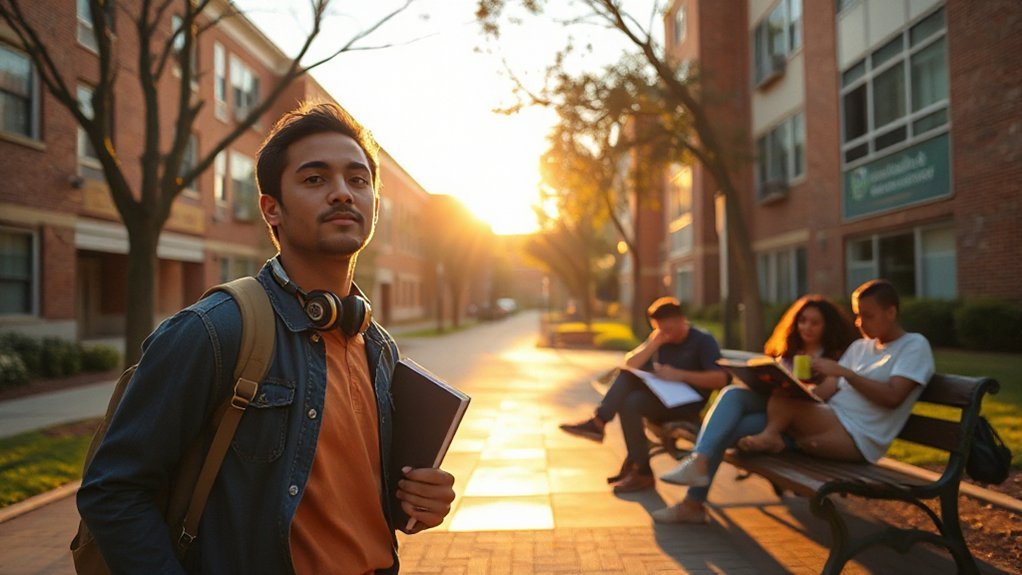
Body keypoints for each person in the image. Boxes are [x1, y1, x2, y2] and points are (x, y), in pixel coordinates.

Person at [77, 102, 455, 574]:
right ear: (270, 208)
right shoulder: (213, 332)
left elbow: (356, 502)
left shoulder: (377, 346)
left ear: (375, 206)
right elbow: (112, 491)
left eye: (358, 180)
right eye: (315, 179)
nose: (342, 193)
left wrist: (420, 503)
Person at [654, 295, 858, 524]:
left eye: (815, 323)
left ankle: (693, 500)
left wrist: (808, 383)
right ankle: (699, 464)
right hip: (775, 416)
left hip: (803, 428)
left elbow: (820, 400)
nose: (806, 327)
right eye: (802, 321)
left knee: (727, 430)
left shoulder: (835, 359)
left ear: (827, 326)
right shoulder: (788, 354)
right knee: (732, 394)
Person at [736, 279, 934, 463]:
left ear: (891, 313)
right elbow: (832, 386)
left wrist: (848, 374)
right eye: (857, 315)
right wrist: (801, 391)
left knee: (758, 417)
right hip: (832, 418)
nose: (859, 322)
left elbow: (893, 397)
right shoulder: (860, 347)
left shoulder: (914, 345)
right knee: (780, 397)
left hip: (858, 435)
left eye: (868, 316)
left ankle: (768, 437)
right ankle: (767, 437)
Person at [559, 297, 727, 493]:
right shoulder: (661, 338)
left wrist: (679, 375)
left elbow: (720, 379)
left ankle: (600, 424)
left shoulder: (703, 341)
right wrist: (652, 345)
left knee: (630, 395)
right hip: (663, 400)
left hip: (687, 405)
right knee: (630, 399)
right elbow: (629, 364)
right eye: (660, 329)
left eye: (669, 330)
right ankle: (642, 472)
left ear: (681, 320)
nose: (665, 334)